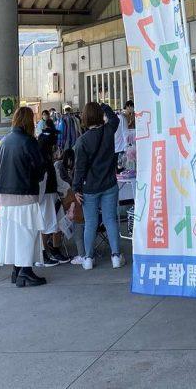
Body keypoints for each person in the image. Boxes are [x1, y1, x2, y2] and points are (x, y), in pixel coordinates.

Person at [0, 107, 49, 287]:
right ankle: (26, 271)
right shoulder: (29, 142)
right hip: (25, 194)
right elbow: (40, 168)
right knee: (28, 234)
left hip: (5, 197)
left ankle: (16, 270)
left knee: (12, 235)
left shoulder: (3, 142)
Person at [73, 101, 123, 271]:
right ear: (100, 116)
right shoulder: (108, 131)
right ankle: (116, 256)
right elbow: (114, 119)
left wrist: (76, 189)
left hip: (89, 188)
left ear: (85, 118)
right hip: (109, 184)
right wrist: (105, 107)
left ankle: (88, 258)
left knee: (91, 223)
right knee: (110, 220)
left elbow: (79, 169)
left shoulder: (81, 142)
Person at [36, 121, 67, 266]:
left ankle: (54, 250)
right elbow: (42, 180)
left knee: (57, 223)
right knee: (47, 225)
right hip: (46, 195)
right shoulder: (42, 159)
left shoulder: (45, 156)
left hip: (51, 193)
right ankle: (43, 255)